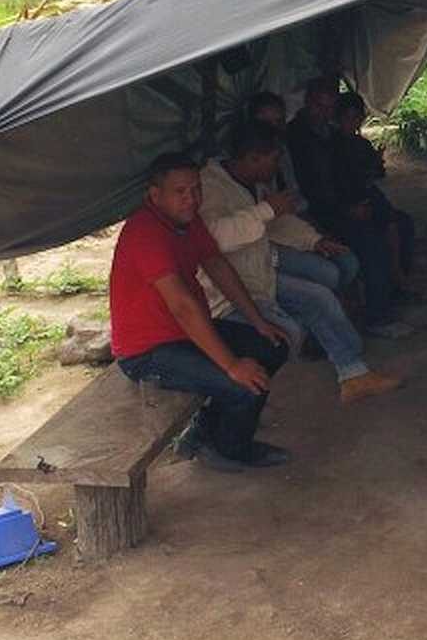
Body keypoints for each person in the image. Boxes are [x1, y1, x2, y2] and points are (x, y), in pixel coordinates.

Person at [110, 152, 292, 471]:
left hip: (185, 333)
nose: (191, 199)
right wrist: (232, 365)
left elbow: (217, 265)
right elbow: (181, 305)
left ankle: (207, 429)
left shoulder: (187, 221)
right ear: (155, 195)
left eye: (196, 189)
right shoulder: (145, 233)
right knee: (243, 385)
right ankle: (228, 449)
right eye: (180, 191)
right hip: (148, 352)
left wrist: (257, 321)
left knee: (272, 346)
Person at [199, 123, 403, 404]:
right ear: (253, 158)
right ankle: (341, 359)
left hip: (259, 271)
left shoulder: (252, 182)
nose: (277, 166)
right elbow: (214, 237)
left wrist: (313, 240)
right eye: (272, 159)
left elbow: (276, 221)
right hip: (228, 289)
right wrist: (265, 210)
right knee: (293, 331)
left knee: (320, 295)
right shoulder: (209, 186)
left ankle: (353, 372)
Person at [286, 77, 413, 336]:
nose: (324, 113)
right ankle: (377, 318)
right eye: (319, 107)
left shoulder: (330, 135)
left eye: (329, 108)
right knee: (371, 244)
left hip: (345, 203)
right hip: (318, 213)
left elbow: (345, 175)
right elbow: (311, 190)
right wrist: (347, 210)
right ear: (308, 102)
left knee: (402, 224)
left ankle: (393, 289)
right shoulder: (296, 138)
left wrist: (359, 197)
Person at [334, 91, 417, 294]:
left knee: (398, 223)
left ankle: (398, 272)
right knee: (385, 228)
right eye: (348, 118)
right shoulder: (333, 146)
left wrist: (376, 162)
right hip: (352, 198)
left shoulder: (361, 144)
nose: (352, 123)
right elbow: (342, 181)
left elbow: (377, 173)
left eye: (357, 118)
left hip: (367, 193)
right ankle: (395, 275)